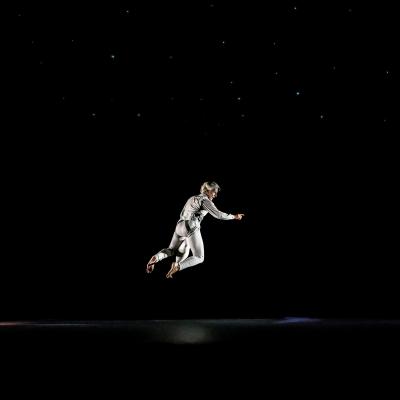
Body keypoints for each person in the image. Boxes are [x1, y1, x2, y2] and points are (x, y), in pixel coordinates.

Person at [146, 181, 245, 279]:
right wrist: (234, 216)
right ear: (207, 190)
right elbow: (218, 215)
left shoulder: (192, 198)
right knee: (199, 257)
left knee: (172, 250)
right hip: (191, 225)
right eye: (214, 192)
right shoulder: (205, 200)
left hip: (179, 226)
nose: (215, 195)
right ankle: (177, 266)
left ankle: (157, 257)